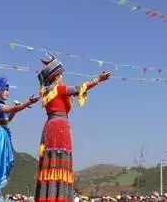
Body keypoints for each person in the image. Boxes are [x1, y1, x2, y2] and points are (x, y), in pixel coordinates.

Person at [34, 53, 112, 202]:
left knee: (50, 163)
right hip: (59, 128)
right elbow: (79, 88)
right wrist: (98, 80)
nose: (62, 77)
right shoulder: (58, 89)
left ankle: (47, 196)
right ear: (56, 76)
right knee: (59, 161)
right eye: (61, 74)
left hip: (50, 127)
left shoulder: (47, 92)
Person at [0, 76, 38, 202]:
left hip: (0, 135)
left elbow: (7, 119)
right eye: (5, 90)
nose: (8, 92)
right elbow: (10, 109)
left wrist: (17, 109)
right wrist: (27, 103)